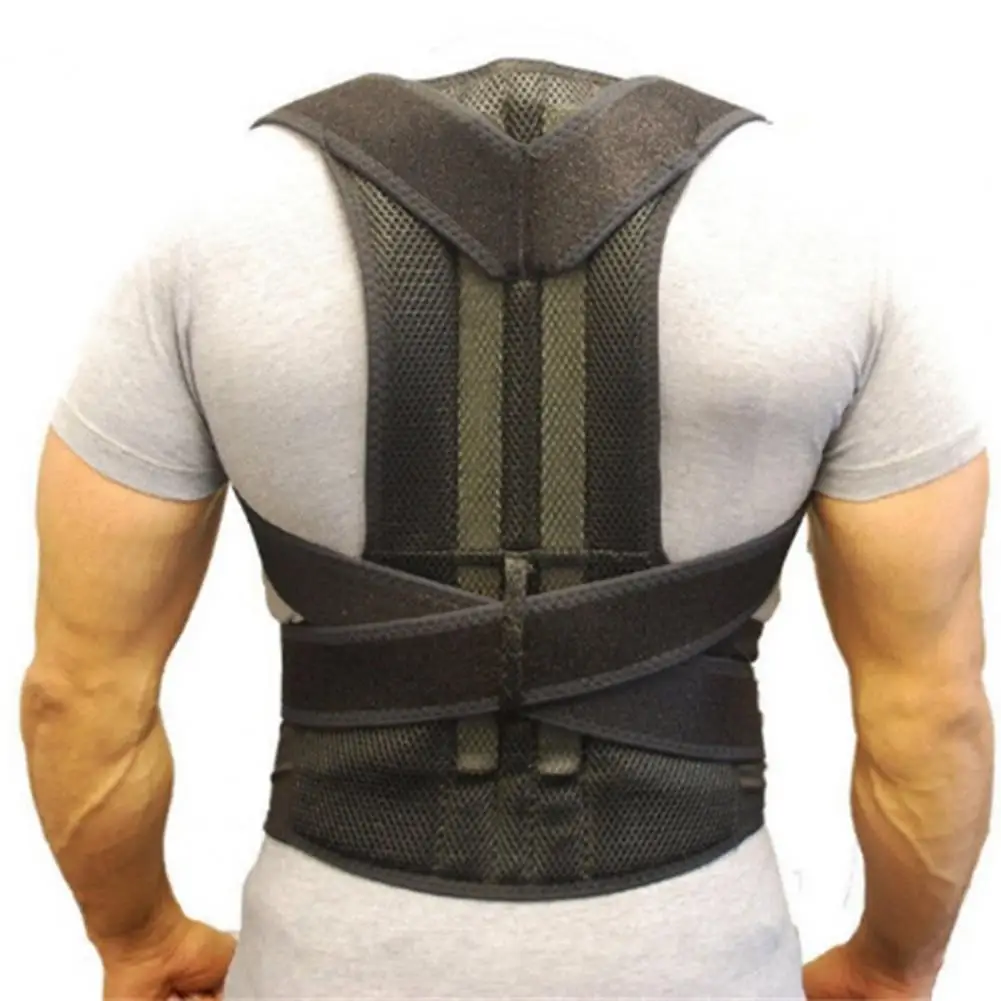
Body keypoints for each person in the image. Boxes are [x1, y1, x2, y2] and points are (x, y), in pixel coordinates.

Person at [20, 59, 993, 1000]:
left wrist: (138, 939)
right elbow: (929, 712)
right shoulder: (820, 238)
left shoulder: (218, 233)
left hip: (324, 959)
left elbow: (80, 693)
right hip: (703, 960)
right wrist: (891, 965)